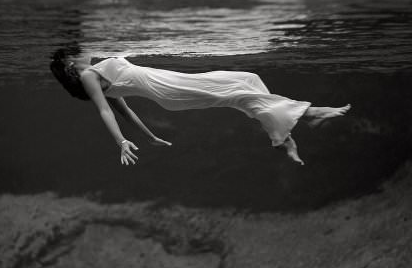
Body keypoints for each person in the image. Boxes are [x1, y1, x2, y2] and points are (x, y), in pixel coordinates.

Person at [50, 47, 350, 166]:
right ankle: (309, 115)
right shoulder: (90, 76)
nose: (83, 51)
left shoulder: (97, 73)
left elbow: (126, 110)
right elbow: (106, 110)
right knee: (238, 93)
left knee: (247, 79)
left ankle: (282, 134)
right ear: (71, 66)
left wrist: (149, 136)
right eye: (76, 54)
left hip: (170, 84)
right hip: (169, 90)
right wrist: (121, 141)